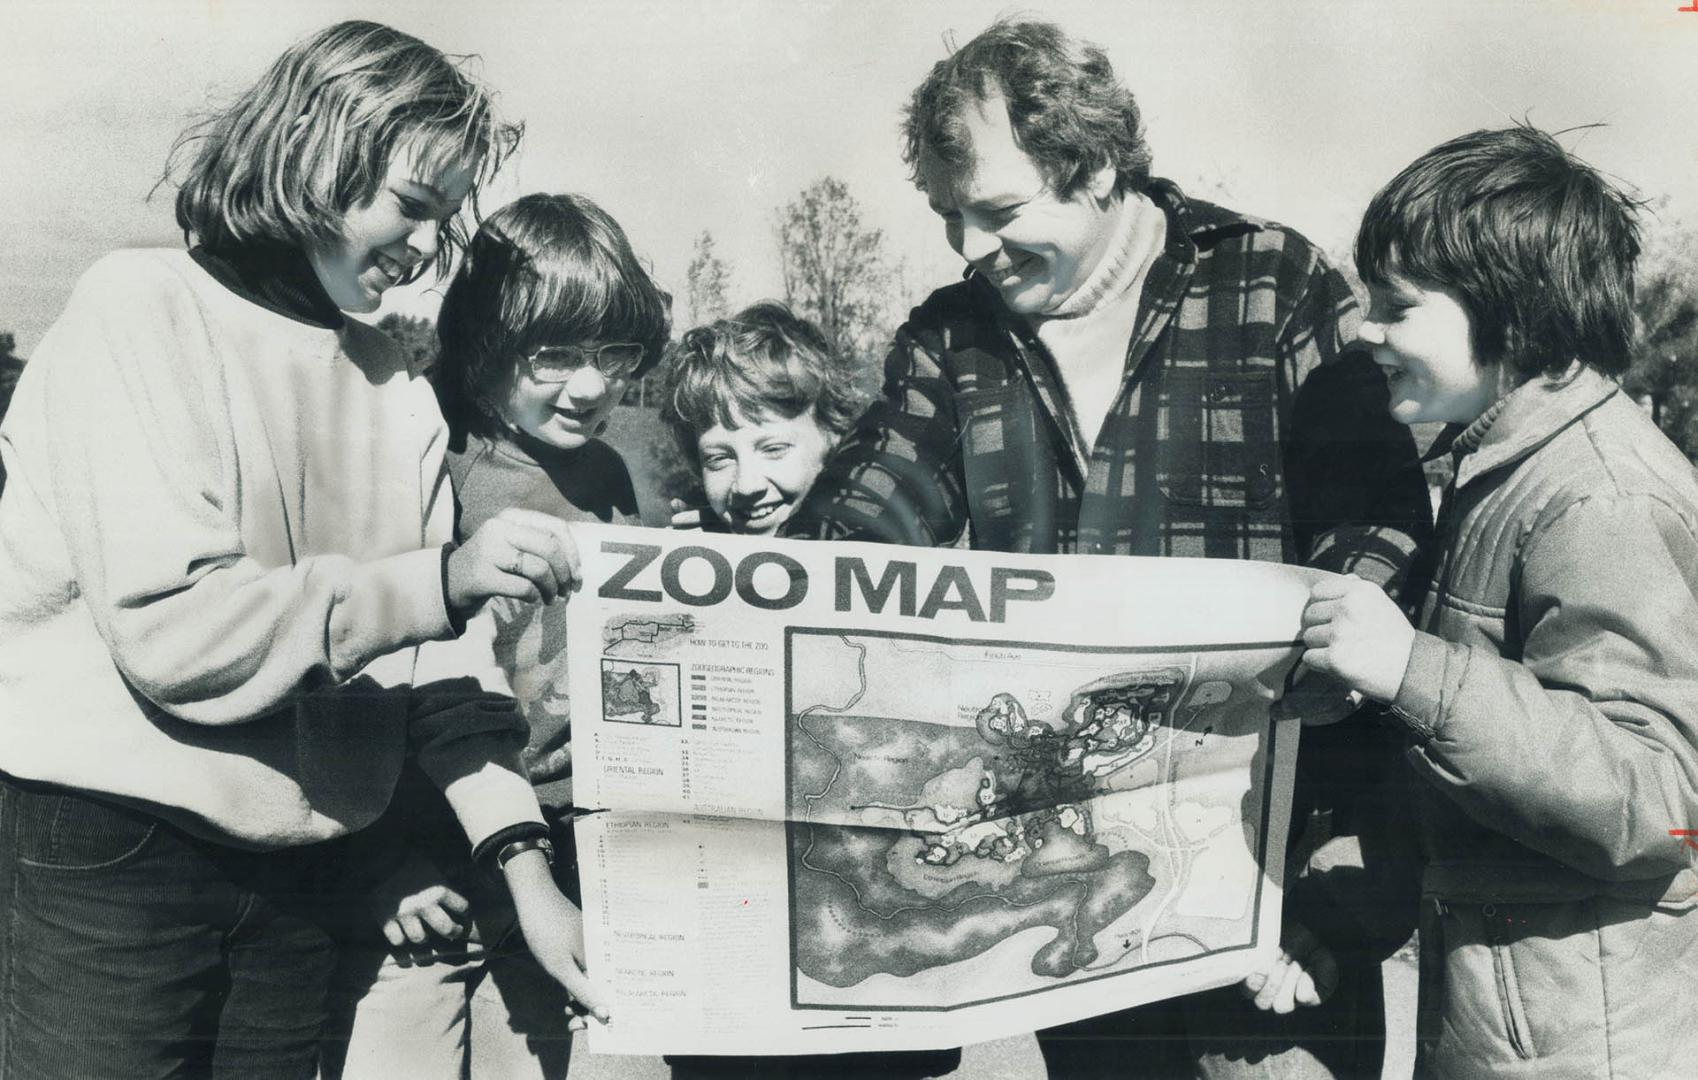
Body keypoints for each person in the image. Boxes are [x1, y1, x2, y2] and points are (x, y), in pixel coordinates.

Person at [782, 17, 1432, 1079]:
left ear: (1090, 164)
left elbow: (1381, 512)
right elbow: (854, 530)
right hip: (1078, 882)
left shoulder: (1271, 281)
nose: (969, 250)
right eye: (948, 217)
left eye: (997, 213)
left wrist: (1332, 653)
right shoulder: (953, 337)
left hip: (1275, 871)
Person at [0, 23, 602, 1079]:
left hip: (305, 875)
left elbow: (437, 673)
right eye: (411, 205)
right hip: (116, 858)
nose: (426, 245)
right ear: (316, 160)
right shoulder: (135, 311)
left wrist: (524, 867)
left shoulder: (395, 386)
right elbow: (177, 634)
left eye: (445, 216)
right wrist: (443, 580)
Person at [1298, 125, 1698, 1080]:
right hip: (1524, 1024)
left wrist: (1412, 670)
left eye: (1397, 308)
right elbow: (1471, 798)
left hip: (1585, 1046)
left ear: (1511, 317)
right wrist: (1345, 921)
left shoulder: (1601, 496)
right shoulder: (1499, 470)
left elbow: (1659, 797)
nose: (1365, 332)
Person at [324, 192, 669, 1080]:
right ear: (484, 336)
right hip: (423, 875)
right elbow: (352, 672)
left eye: (614, 354)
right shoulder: (418, 450)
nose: (590, 386)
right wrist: (377, 864)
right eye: (554, 354)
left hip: (569, 871)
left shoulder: (626, 470)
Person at [658, 302, 961, 1079]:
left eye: (772, 446)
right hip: (732, 969)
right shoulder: (672, 581)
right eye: (719, 456)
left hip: (874, 964)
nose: (747, 483)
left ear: (837, 435)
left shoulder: (917, 569)